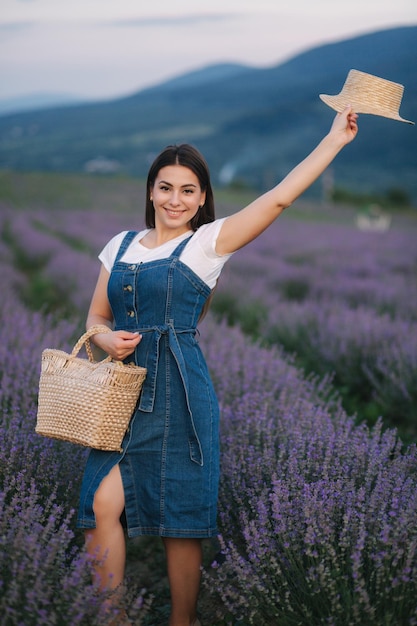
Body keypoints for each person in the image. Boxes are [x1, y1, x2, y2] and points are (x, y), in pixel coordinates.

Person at [77, 106, 358, 625]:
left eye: (188, 190)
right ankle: (110, 618)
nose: (175, 200)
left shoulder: (208, 243)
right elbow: (96, 313)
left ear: (203, 197)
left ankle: (182, 621)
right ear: (150, 191)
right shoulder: (118, 245)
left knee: (182, 521)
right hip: (120, 391)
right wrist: (103, 336)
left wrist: (333, 140)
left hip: (180, 392)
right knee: (99, 504)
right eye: (165, 188)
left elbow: (279, 197)